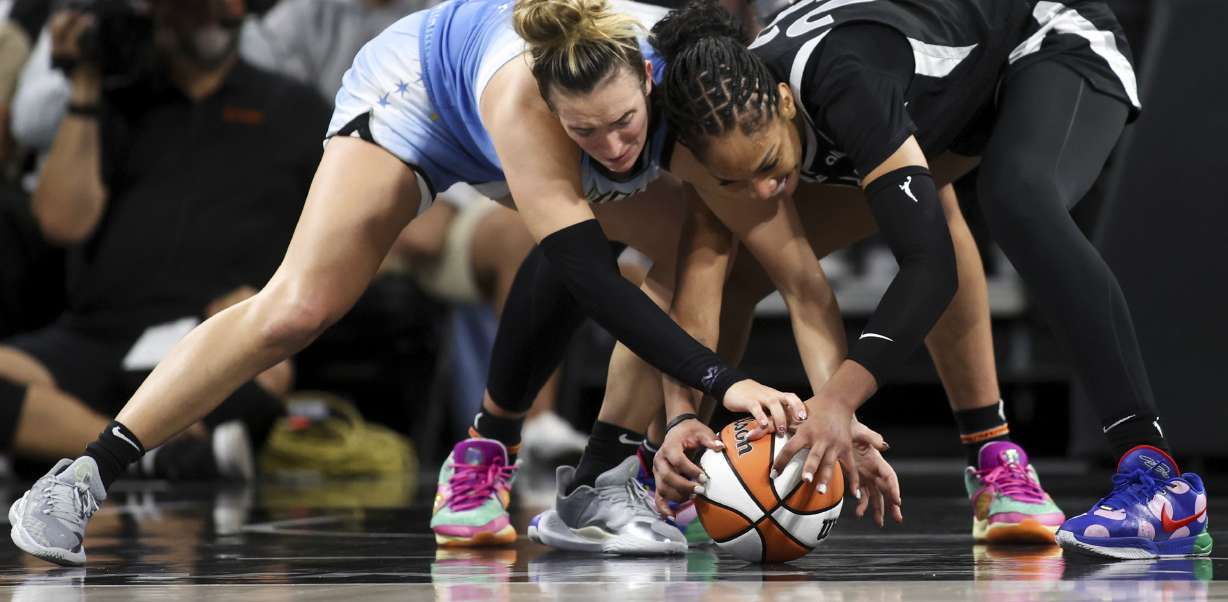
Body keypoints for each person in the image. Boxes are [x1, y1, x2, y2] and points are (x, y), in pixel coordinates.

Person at [7, 0, 802, 567]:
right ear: (554, 110)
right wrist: (724, 381)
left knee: (696, 238)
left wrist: (680, 417)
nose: (617, 145)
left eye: (627, 122)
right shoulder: (527, 105)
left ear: (649, 79)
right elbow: (587, 274)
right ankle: (80, 478)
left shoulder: (679, 81)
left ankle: (602, 485)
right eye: (587, 131)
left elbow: (695, 256)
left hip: (559, 125)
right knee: (297, 308)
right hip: (418, 93)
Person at [648, 0, 1210, 560]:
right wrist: (680, 424)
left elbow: (929, 268)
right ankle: (686, 477)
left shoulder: (847, 82)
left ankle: (1158, 481)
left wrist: (839, 402)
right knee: (748, 268)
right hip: (952, 100)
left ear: (784, 101)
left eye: (771, 163)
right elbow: (724, 275)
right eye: (736, 180)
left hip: (1048, 38)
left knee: (1017, 201)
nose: (764, 191)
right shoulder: (725, 96)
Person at [0, 0, 324, 489]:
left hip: (210, 331)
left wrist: (269, 294)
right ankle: (152, 457)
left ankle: (68, 441)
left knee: (268, 366)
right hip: (98, 334)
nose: (205, 19)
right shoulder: (115, 103)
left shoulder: (295, 108)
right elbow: (60, 223)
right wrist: (85, 89)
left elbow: (341, 231)